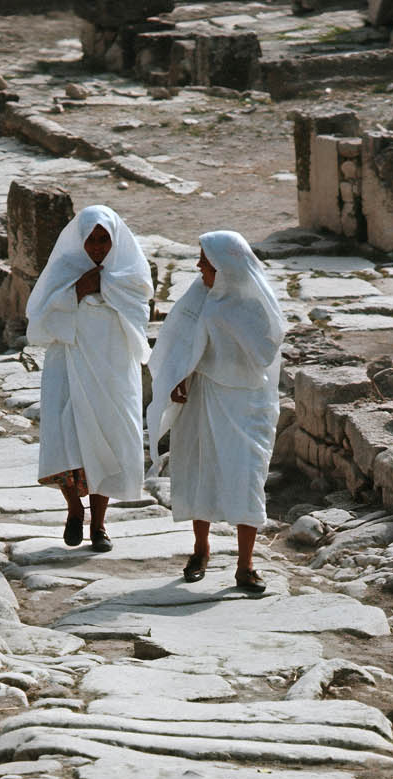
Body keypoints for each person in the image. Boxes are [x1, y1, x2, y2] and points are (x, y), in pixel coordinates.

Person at [146, 230, 283, 595]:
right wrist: (179, 374)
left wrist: (225, 319)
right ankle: (200, 550)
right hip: (202, 395)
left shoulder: (252, 305)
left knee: (247, 475)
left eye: (206, 263)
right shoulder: (197, 298)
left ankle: (245, 564)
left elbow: (264, 355)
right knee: (199, 467)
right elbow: (178, 341)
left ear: (225, 268)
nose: (199, 268)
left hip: (245, 401)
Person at [27, 204, 153, 553]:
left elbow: (141, 311)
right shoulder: (63, 271)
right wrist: (77, 292)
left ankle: (99, 524)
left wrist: (108, 287)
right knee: (67, 438)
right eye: (91, 240)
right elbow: (38, 320)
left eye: (104, 240)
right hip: (68, 365)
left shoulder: (129, 272)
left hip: (113, 370)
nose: (98, 248)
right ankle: (73, 510)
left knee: (108, 441)